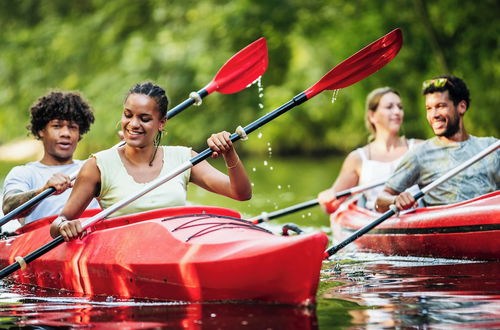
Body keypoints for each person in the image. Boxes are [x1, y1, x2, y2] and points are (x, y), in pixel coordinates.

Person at [50, 81, 252, 240]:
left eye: (144, 118)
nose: (133, 124)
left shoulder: (184, 158)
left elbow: (240, 193)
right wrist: (65, 226)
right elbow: (58, 223)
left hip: (176, 247)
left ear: (161, 122)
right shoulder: (97, 166)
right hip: (125, 252)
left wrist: (229, 153)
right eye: (128, 115)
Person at [376, 75, 499, 212]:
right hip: (445, 230)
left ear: (462, 107)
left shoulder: (491, 147)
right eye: (429, 108)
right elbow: (380, 200)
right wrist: (395, 200)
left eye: (440, 106)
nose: (433, 115)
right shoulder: (420, 154)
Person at [2, 91, 99, 226]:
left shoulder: (95, 168)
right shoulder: (24, 173)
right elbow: (8, 207)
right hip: (43, 243)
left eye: (72, 127)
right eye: (57, 126)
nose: (65, 133)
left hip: (93, 240)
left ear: (79, 133)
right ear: (41, 130)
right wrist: (43, 191)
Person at [318, 87, 421, 212]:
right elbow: (330, 207)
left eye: (400, 107)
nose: (397, 111)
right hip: (376, 218)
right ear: (372, 116)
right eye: (389, 107)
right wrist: (327, 197)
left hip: (416, 213)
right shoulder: (357, 158)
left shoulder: (418, 147)